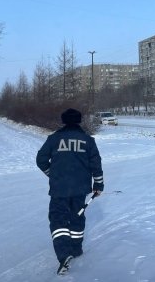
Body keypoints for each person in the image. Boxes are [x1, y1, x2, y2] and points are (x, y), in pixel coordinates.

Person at [36, 108, 104, 275]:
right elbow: (96, 164)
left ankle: (63, 254)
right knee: (77, 216)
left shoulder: (54, 139)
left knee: (58, 219)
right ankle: (76, 249)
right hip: (80, 188)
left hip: (59, 188)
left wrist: (52, 174)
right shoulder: (88, 140)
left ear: (63, 121)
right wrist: (98, 184)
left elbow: (41, 160)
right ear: (79, 121)